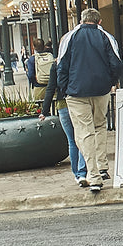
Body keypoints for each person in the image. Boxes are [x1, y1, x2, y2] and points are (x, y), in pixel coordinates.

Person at [53, 8, 123, 196]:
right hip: (101, 90)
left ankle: (93, 175)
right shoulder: (106, 37)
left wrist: (65, 88)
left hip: (76, 91)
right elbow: (117, 64)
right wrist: (109, 82)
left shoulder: (69, 37)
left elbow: (61, 65)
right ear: (99, 21)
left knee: (84, 132)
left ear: (81, 20)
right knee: (100, 126)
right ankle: (102, 165)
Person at [38, 43, 87, 188]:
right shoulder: (77, 62)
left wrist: (44, 111)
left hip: (62, 104)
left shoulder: (55, 65)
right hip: (78, 102)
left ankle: (77, 174)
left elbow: (50, 88)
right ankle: (83, 171)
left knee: (72, 141)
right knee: (83, 138)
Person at [26, 38, 56, 104]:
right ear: (44, 46)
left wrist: (34, 83)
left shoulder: (32, 59)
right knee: (54, 106)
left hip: (39, 86)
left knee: (40, 107)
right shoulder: (51, 56)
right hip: (51, 86)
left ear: (34, 47)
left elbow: (31, 75)